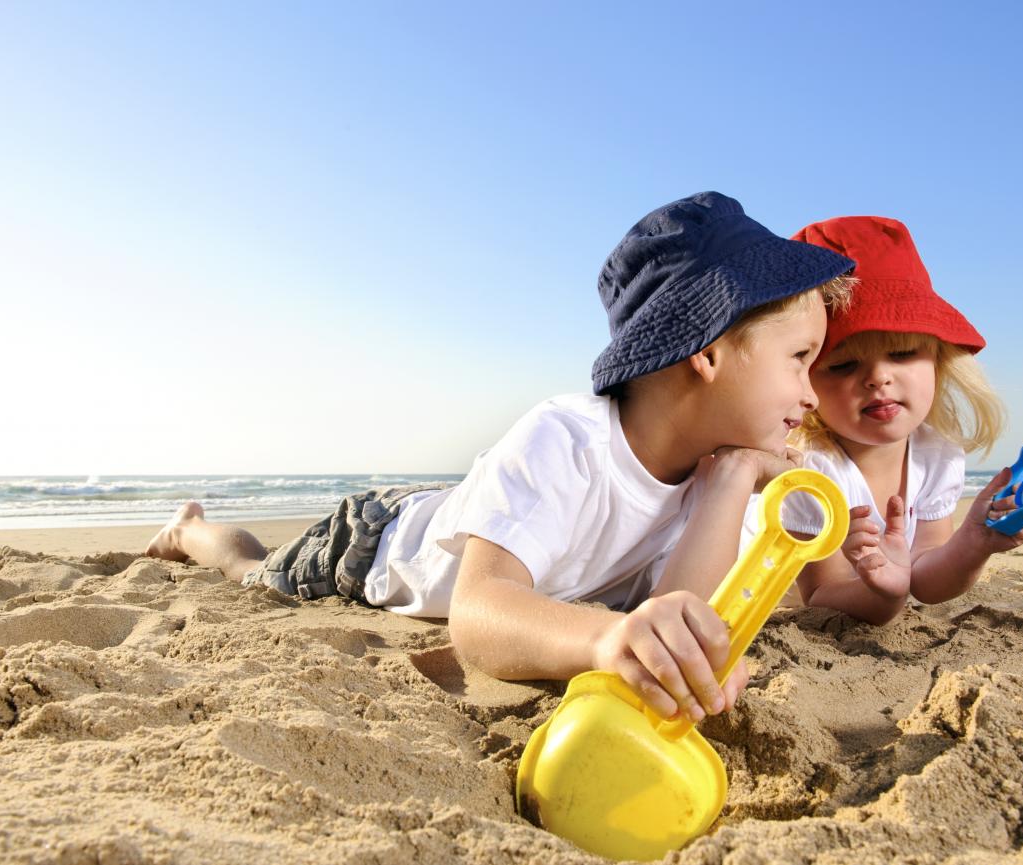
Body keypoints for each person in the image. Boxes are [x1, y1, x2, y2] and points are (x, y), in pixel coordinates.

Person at [144, 191, 855, 723]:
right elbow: (478, 613)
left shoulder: (715, 464)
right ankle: (189, 531)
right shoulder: (568, 441)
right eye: (799, 359)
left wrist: (731, 482)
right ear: (707, 350)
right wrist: (608, 639)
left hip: (477, 514)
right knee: (252, 572)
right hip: (375, 542)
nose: (811, 394)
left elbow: (678, 615)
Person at [769, 215, 1023, 625]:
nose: (878, 377)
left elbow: (925, 580)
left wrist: (973, 545)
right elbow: (820, 593)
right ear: (805, 379)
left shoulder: (936, 454)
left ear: (938, 360)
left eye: (903, 353)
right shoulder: (808, 469)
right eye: (843, 365)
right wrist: (884, 597)